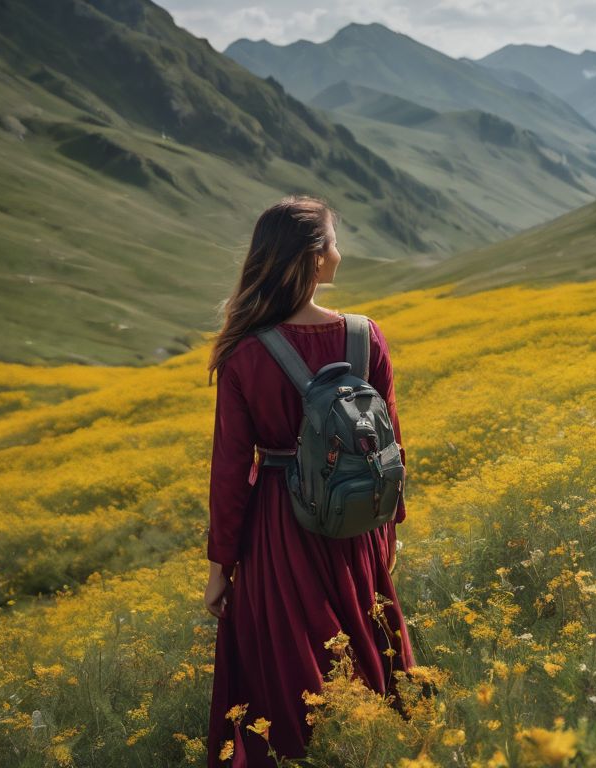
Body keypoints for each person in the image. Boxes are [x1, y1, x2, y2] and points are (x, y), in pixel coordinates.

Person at [203, 195, 416, 767]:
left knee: (285, 674)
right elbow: (391, 441)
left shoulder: (245, 352)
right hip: (355, 523)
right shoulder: (364, 336)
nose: (340, 254)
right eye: (334, 242)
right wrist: (388, 528)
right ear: (316, 259)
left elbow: (229, 472)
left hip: (279, 527)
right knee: (365, 649)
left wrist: (221, 567)